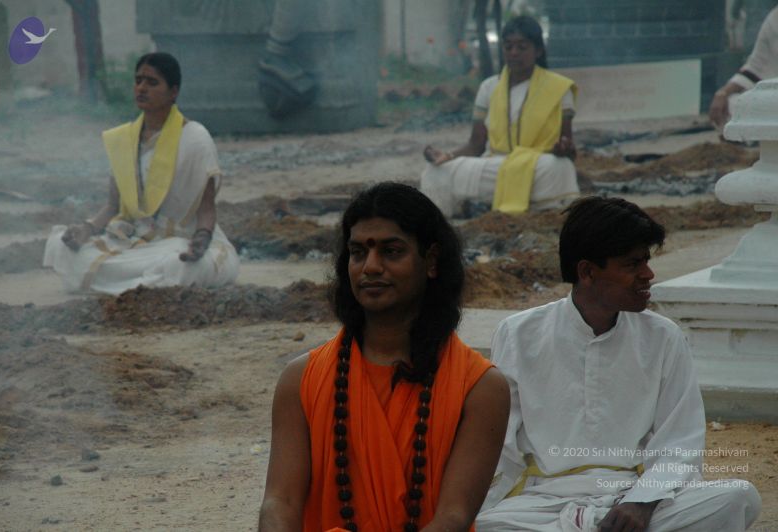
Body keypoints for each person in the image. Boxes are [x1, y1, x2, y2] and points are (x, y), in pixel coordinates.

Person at [477, 197, 761, 531]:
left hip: (634, 498)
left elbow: (680, 440)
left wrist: (641, 502)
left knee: (738, 497)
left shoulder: (664, 337)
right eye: (632, 264)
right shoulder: (518, 333)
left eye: (647, 261)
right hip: (541, 504)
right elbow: (499, 443)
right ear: (587, 272)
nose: (648, 275)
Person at [258, 182, 510, 531]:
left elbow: (453, 516)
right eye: (358, 252)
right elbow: (279, 502)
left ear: (431, 261)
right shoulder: (300, 380)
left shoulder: (480, 388)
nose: (371, 267)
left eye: (391, 251)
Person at [43, 52, 239, 294]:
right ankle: (141, 283)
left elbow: (206, 209)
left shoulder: (195, 138)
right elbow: (113, 206)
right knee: (60, 245)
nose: (142, 88)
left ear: (173, 92)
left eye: (152, 82)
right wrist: (87, 228)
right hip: (135, 240)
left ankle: (135, 281)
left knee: (177, 264)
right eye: (138, 81)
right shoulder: (123, 139)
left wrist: (200, 241)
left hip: (180, 240)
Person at [421, 16, 579, 218]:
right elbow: (476, 145)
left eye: (522, 47)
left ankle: (542, 211)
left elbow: (569, 152)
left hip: (538, 165)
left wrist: (563, 149)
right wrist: (447, 156)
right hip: (496, 166)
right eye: (508, 47)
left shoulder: (560, 88)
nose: (514, 53)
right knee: (434, 171)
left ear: (538, 51)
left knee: (560, 166)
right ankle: (437, 224)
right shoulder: (489, 87)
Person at [710, 5, 778, 129]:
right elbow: (754, 68)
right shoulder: (774, 18)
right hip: (773, 100)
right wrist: (723, 93)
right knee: (734, 103)